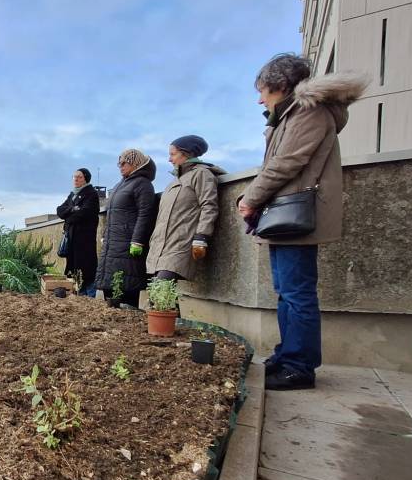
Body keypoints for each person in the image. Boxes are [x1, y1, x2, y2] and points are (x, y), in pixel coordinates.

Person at [237, 53, 367, 390]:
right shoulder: (289, 116)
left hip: (296, 215)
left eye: (263, 90)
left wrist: (250, 198)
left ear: (280, 86)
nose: (259, 98)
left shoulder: (308, 113)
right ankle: (286, 355)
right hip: (287, 216)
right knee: (287, 292)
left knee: (297, 293)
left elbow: (285, 164)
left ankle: (299, 367)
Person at [146, 135, 224, 282]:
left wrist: (201, 237)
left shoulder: (201, 174)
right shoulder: (174, 182)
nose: (170, 159)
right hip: (162, 245)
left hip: (181, 243)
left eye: (172, 154)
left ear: (186, 153)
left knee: (162, 291)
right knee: (158, 295)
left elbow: (209, 206)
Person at [94, 149, 157, 306]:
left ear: (135, 164)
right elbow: (110, 215)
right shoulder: (120, 185)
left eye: (124, 163)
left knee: (126, 289)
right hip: (113, 244)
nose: (120, 166)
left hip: (128, 245)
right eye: (119, 163)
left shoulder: (143, 184)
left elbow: (146, 214)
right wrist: (104, 234)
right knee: (110, 291)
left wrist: (138, 241)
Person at [56, 168, 100, 296]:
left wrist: (68, 215)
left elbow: (83, 213)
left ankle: (89, 296)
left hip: (84, 239)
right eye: (74, 177)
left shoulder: (91, 193)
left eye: (79, 177)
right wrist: (72, 209)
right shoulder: (72, 195)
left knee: (86, 269)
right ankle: (77, 293)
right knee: (73, 267)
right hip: (72, 238)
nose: (76, 179)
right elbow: (59, 210)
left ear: (85, 178)